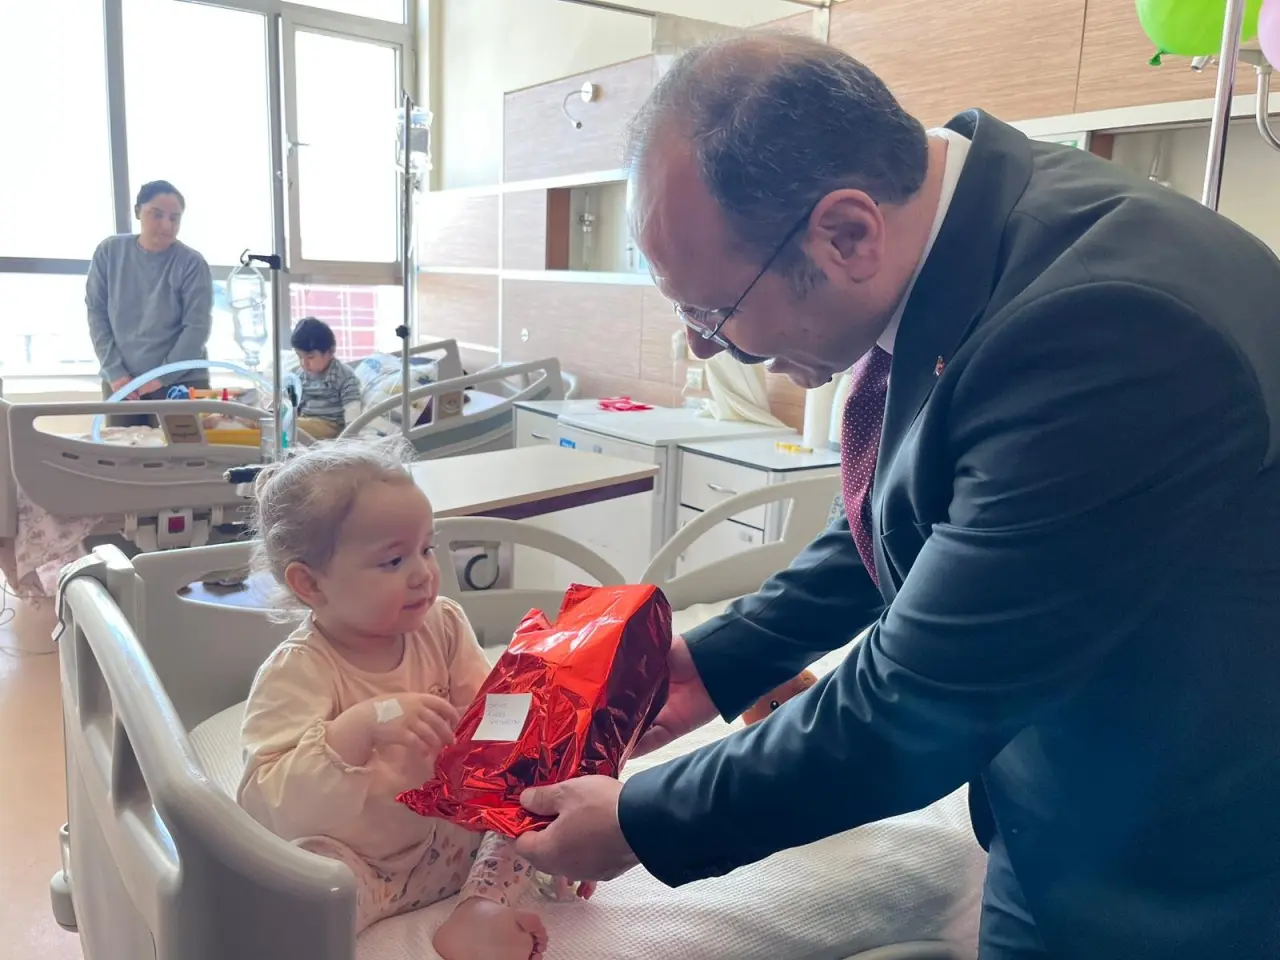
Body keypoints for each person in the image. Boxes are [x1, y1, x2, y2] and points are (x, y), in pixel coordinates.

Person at [511, 35, 1280, 959]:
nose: (705, 348)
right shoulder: (985, 234)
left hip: (1173, 872)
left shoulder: (1111, 332)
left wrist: (643, 819)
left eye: (714, 312)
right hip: (1070, 806)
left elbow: (912, 704)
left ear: (847, 234)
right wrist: (721, 661)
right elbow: (912, 507)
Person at [238, 437, 579, 959]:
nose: (423, 574)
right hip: (360, 864)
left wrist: (543, 759)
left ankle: (479, 911)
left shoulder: (442, 625)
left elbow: (496, 723)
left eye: (427, 548)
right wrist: (357, 730)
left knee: (535, 807)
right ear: (310, 584)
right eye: (394, 560)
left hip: (452, 846)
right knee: (302, 883)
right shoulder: (300, 671)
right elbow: (266, 806)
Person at [86, 180, 213, 427]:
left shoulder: (191, 263)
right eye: (157, 215)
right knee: (122, 449)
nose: (166, 225)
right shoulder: (109, 252)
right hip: (122, 383)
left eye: (174, 218)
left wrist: (160, 378)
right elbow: (96, 313)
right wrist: (115, 372)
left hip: (180, 382)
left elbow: (196, 328)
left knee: (182, 450)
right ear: (138, 212)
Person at [290, 316, 363, 440]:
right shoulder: (300, 375)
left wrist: (350, 438)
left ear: (331, 351)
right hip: (305, 422)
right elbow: (294, 406)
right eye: (299, 356)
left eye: (310, 357)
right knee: (279, 422)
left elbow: (352, 409)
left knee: (289, 426)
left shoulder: (343, 375)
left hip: (331, 426)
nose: (304, 363)